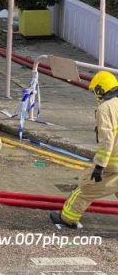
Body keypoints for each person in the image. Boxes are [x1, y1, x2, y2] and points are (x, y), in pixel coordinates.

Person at [51, 70, 118, 229]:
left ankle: (67, 218)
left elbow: (106, 140)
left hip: (112, 165)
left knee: (85, 188)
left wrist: (99, 166)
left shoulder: (106, 108)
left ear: (101, 90)